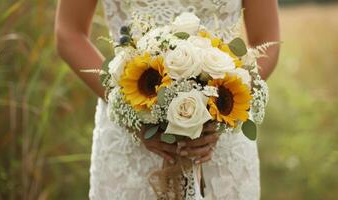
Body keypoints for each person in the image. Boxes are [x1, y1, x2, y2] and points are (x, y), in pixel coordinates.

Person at [55, 0, 280, 199]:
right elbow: (69, 32)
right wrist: (130, 111)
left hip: (221, 135)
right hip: (128, 133)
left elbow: (267, 39)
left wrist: (224, 107)